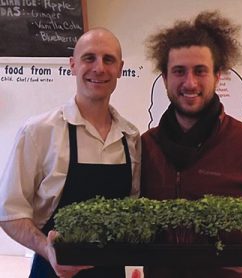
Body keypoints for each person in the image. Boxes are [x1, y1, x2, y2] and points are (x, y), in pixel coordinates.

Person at [141, 10, 242, 278]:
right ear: (165, 78)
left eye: (200, 71)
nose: (189, 82)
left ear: (217, 76)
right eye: (179, 71)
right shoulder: (145, 146)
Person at [0, 28, 141, 277]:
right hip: (52, 270)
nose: (98, 68)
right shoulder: (38, 131)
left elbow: (132, 210)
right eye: (89, 58)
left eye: (108, 59)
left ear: (120, 68)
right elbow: (9, 212)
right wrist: (46, 248)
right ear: (73, 65)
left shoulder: (130, 137)